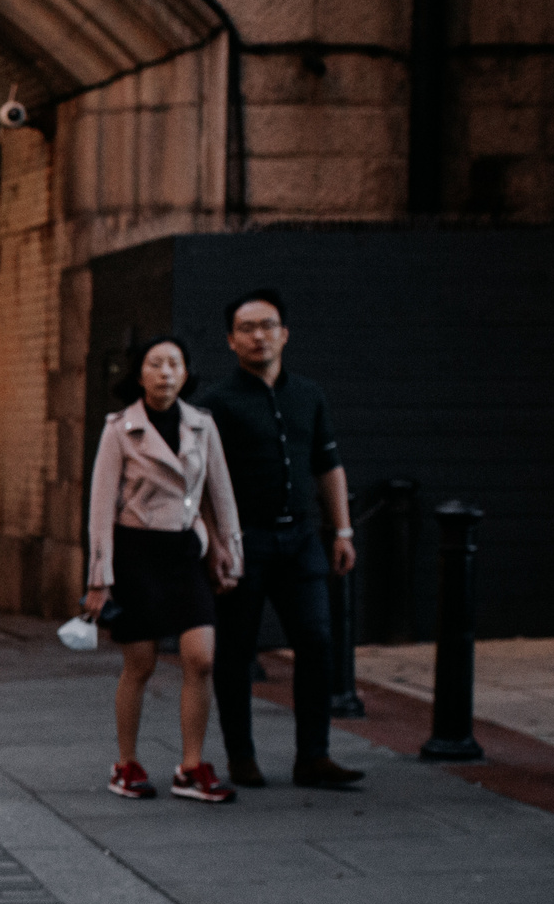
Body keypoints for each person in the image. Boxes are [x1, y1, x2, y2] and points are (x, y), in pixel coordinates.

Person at [201, 289, 363, 790]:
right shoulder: (215, 404)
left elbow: (328, 464)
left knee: (316, 641)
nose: (258, 336)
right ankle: (240, 757)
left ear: (284, 333)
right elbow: (201, 480)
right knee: (236, 651)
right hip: (244, 542)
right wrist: (217, 544)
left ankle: (313, 757)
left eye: (267, 325)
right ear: (231, 340)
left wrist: (342, 529)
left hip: (301, 542)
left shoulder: (309, 395)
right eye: (246, 328)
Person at [84, 338, 243, 803]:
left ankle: (191, 767)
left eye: (174, 364)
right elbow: (100, 507)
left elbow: (221, 493)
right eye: (155, 364)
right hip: (135, 553)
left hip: (183, 553)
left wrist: (228, 550)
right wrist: (100, 577)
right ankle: (126, 763)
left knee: (202, 658)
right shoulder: (120, 429)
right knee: (141, 663)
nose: (165, 373)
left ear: (185, 373)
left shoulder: (202, 425)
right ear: (140, 374)